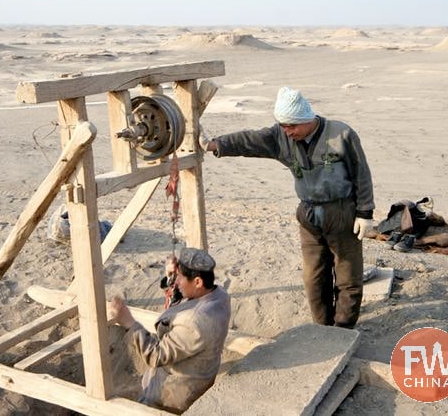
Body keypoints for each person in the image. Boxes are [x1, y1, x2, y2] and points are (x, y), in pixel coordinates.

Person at [200, 87, 374, 329]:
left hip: (342, 212)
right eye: (282, 125)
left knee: (347, 275)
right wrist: (214, 144)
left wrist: (365, 213)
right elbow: (249, 140)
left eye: (292, 126)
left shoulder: (341, 134)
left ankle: (343, 328)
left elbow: (361, 174)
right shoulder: (281, 136)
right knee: (314, 277)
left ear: (306, 119)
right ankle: (323, 328)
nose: (287, 131)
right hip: (309, 215)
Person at [108, 247, 231, 413]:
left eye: (180, 277)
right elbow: (185, 300)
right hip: (197, 372)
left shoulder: (195, 322)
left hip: (172, 394)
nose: (177, 281)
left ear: (197, 282)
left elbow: (155, 356)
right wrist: (172, 277)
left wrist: (129, 323)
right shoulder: (219, 295)